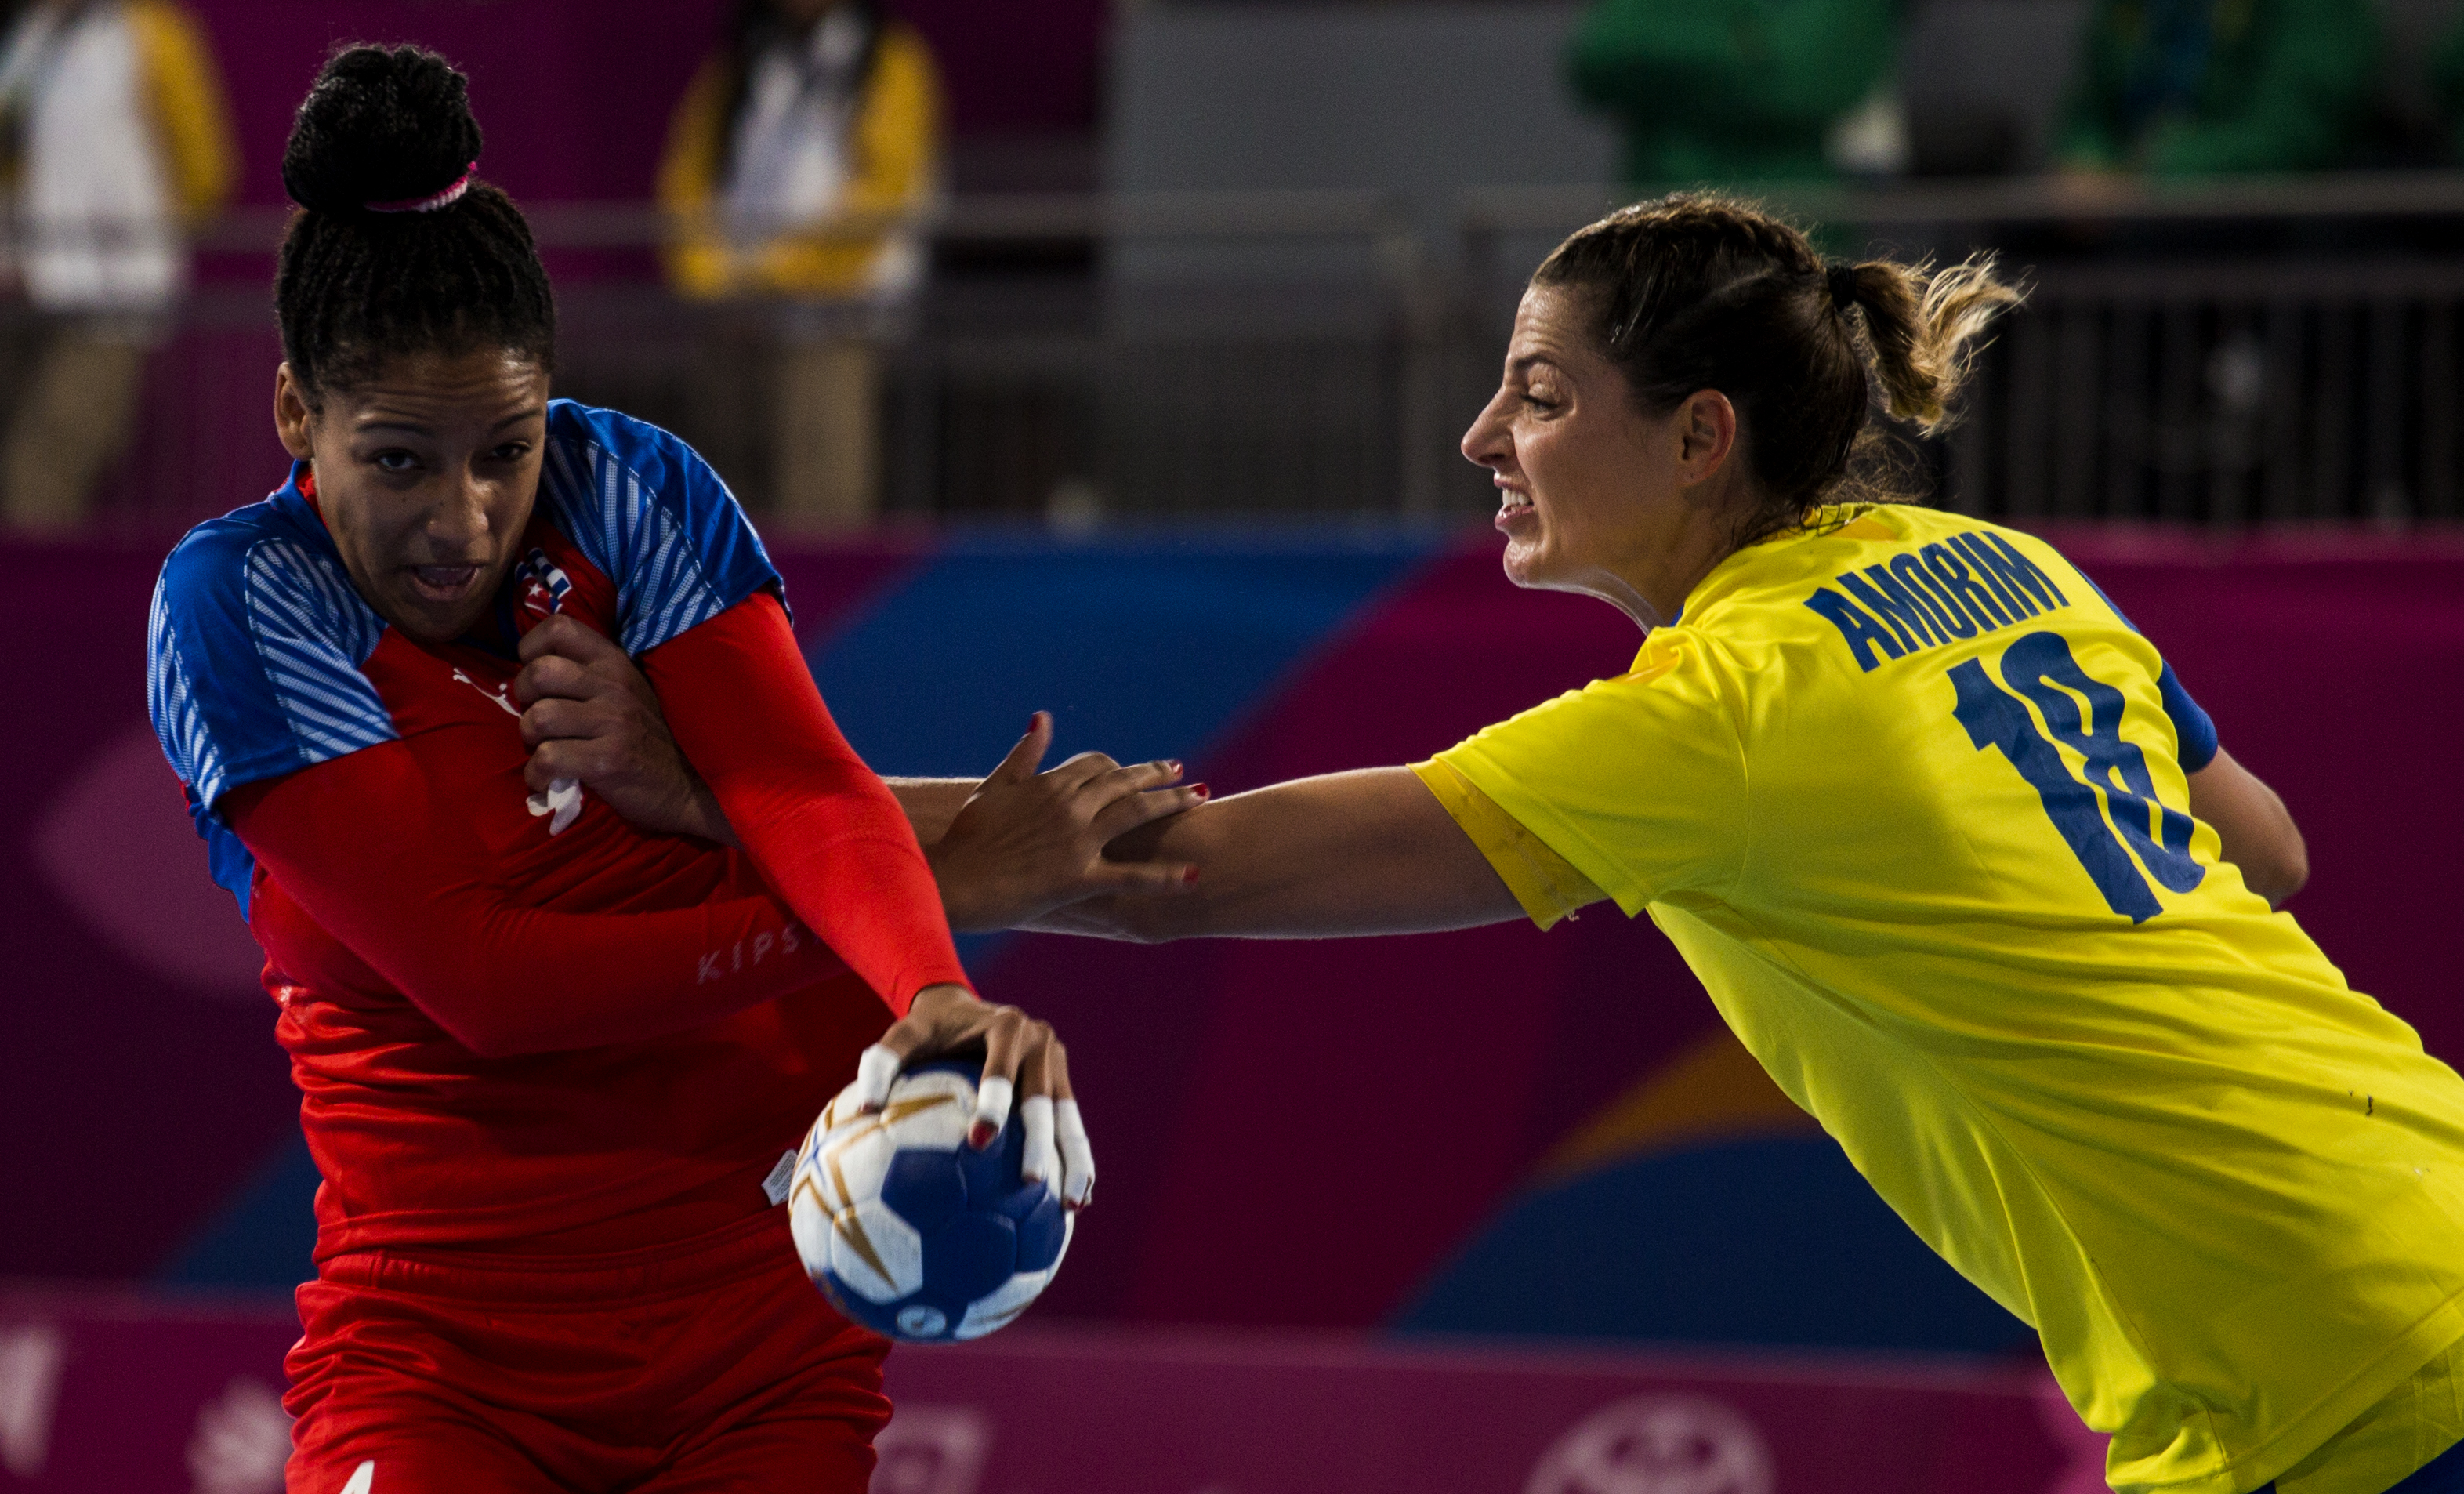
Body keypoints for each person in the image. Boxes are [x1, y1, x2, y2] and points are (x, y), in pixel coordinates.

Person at [553, 194, 2454, 1494]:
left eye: (1540, 395)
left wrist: (722, 786)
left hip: (2330, 1372)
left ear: (1699, 439)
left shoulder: (1722, 717)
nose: (1482, 433)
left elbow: (1177, 870)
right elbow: (2267, 849)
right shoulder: (1998, 567)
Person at [144, 45, 1190, 1494]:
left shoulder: (626, 488)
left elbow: (805, 792)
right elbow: (488, 983)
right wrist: (944, 887)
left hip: (762, 1345)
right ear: (293, 416)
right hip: (445, 1358)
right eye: (397, 462)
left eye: (503, 450)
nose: (463, 520)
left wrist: (932, 989)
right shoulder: (243, 602)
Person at [658, 0, 940, 529]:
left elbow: (882, 195)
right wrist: (710, 279)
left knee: (820, 503)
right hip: (736, 321)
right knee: (726, 502)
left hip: (834, 321)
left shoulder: (888, 59)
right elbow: (689, 177)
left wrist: (779, 277)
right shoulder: (741, 59)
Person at [0, 0, 232, 528]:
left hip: (108, 298)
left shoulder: (151, 36)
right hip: (22, 291)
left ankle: (29, 585)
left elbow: (205, 171)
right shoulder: (29, 38)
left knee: (40, 477)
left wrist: (132, 238)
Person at [1564, 0, 1904, 189]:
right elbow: (1601, 55)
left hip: (1791, 234)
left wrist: (1664, 56)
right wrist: (1746, 49)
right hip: (1656, 232)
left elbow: (1798, 81)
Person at [2053, 0, 2379, 179]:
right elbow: (2093, 107)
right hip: (2124, 204)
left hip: (2260, 217)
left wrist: (2147, 175)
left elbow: (2294, 131)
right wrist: (2086, 158)